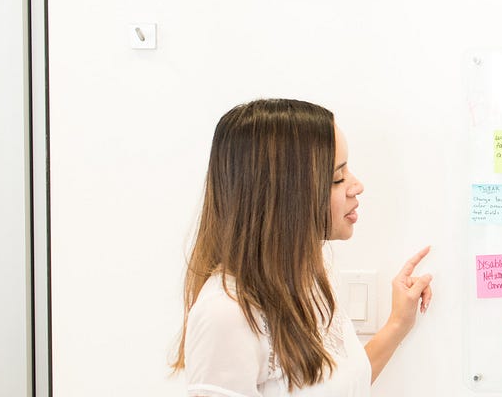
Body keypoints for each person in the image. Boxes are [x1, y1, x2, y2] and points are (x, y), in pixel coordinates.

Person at [171, 98, 435, 396]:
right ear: (284, 195)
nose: (357, 185)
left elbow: (344, 386)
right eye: (337, 177)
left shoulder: (306, 279)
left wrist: (399, 322)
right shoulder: (225, 314)